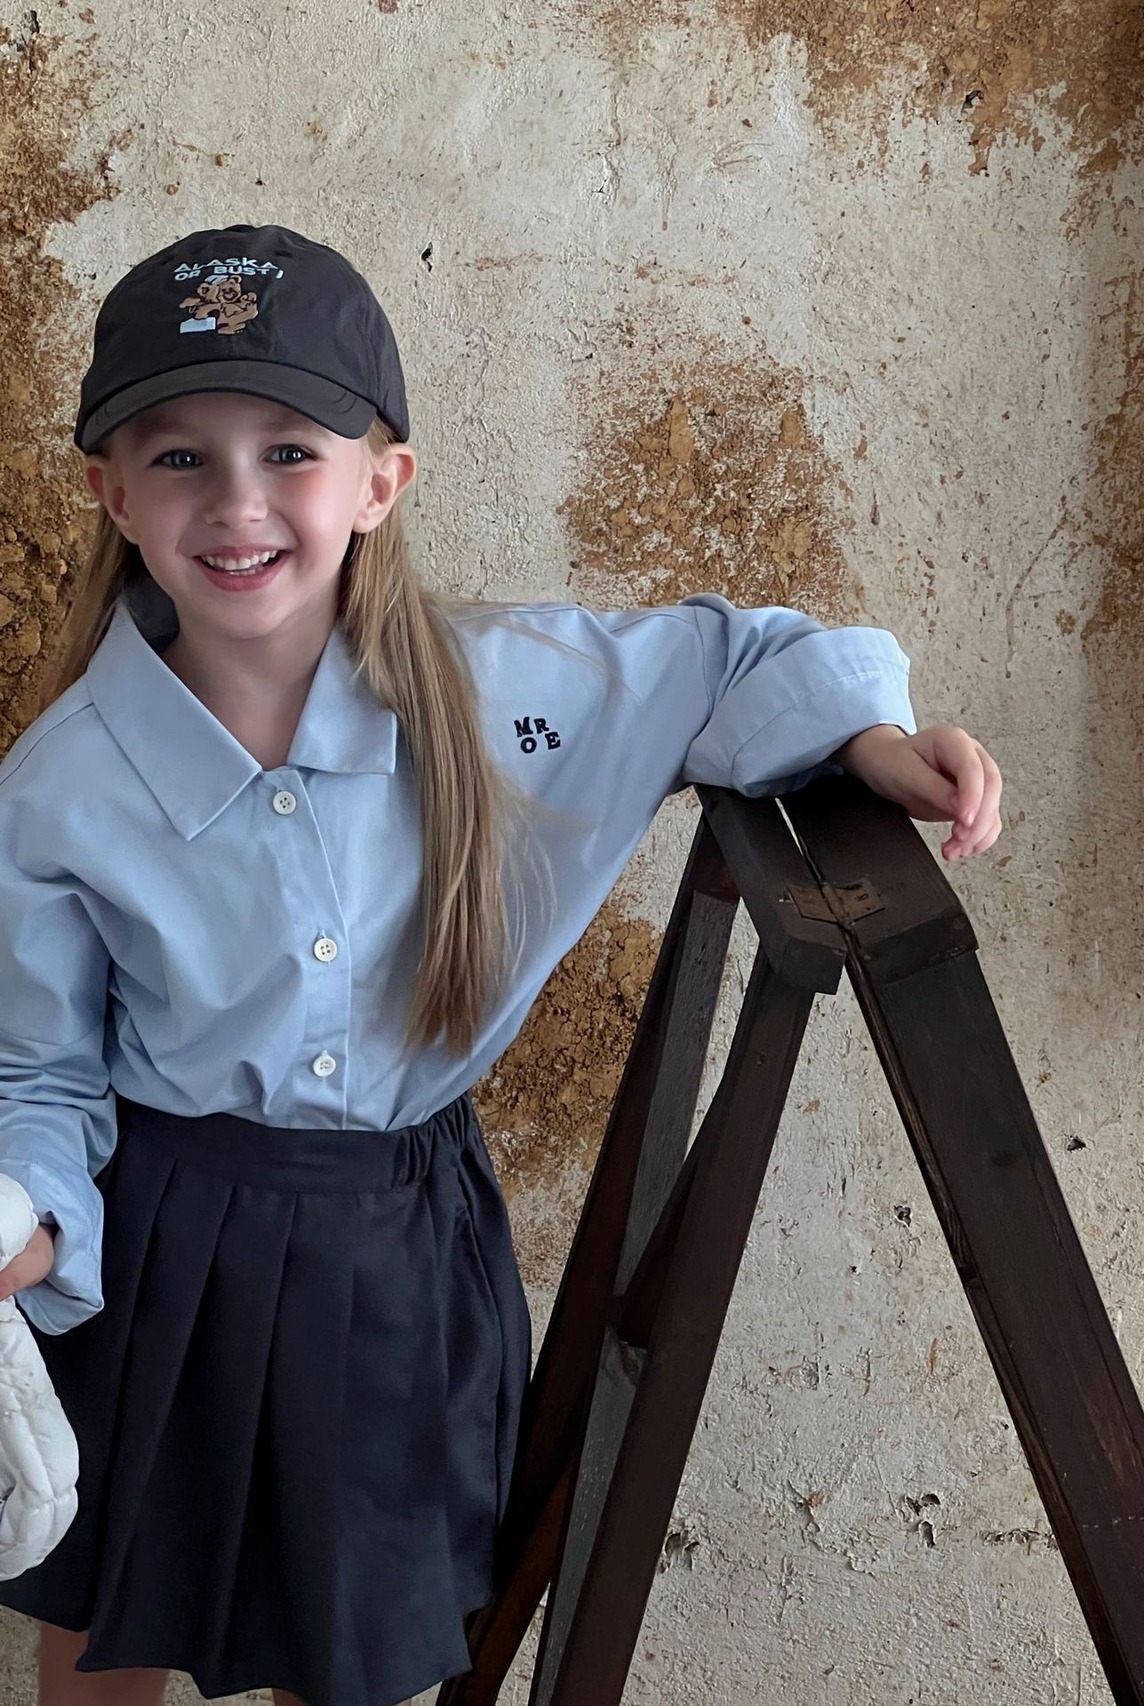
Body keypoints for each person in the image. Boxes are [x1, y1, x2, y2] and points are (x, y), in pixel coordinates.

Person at [0, 224, 1003, 1706]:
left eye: (290, 452)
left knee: (352, 1637)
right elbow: (36, 1070)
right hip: (162, 1255)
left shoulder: (502, 693)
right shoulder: (59, 785)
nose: (237, 503)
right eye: (181, 457)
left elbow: (729, 659)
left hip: (396, 1254)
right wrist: (25, 1227)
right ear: (110, 489)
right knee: (109, 1615)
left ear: (379, 480)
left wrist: (867, 741)